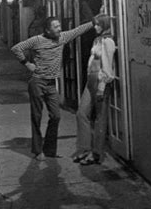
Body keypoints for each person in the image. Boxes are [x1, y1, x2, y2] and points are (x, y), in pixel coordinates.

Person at [11, 16, 94, 160]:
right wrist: (26, 63)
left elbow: (78, 30)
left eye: (59, 26)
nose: (59, 29)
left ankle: (49, 149)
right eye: (56, 27)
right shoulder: (37, 40)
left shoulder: (62, 38)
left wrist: (94, 20)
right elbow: (16, 48)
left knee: (56, 116)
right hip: (37, 82)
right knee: (36, 117)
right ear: (47, 30)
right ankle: (38, 151)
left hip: (51, 84)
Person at [73, 13, 116, 165]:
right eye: (95, 24)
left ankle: (96, 153)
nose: (95, 27)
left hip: (99, 80)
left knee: (99, 118)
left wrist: (102, 86)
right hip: (90, 80)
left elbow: (108, 67)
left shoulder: (108, 41)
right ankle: (84, 148)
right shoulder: (97, 40)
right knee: (81, 113)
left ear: (104, 25)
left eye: (98, 24)